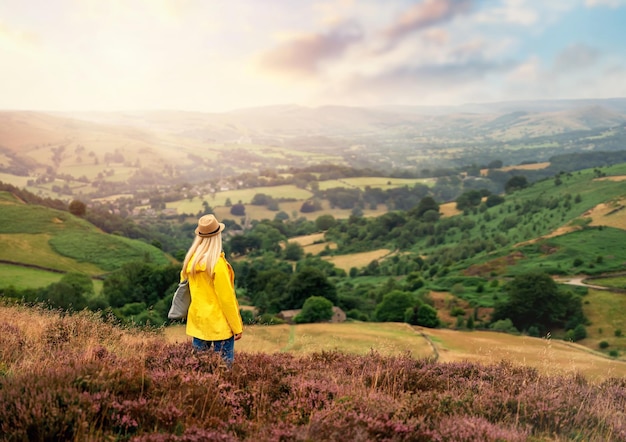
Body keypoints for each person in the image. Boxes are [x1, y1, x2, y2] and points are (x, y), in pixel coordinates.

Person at [181, 214, 243, 365]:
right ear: (217, 236)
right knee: (223, 370)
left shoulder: (190, 262)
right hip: (219, 325)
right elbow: (226, 298)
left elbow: (185, 291)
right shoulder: (218, 264)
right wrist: (237, 326)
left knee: (198, 369)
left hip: (198, 322)